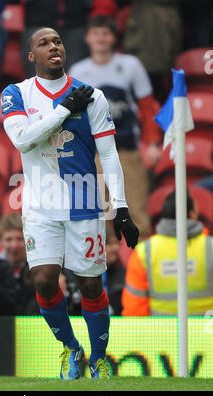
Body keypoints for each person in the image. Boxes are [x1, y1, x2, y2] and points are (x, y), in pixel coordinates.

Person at [1, 26, 139, 379]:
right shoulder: (16, 94)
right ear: (31, 56)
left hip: (84, 204)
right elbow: (22, 140)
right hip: (39, 205)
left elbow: (108, 155)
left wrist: (121, 209)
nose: (53, 47)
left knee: (90, 284)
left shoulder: (92, 96)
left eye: (58, 41)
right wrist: (63, 110)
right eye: (43, 43)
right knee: (45, 280)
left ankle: (99, 359)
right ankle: (71, 349)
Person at [69, 15, 161, 239]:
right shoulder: (78, 71)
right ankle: (106, 270)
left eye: (106, 33)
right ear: (87, 38)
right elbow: (72, 115)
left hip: (126, 151)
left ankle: (139, 268)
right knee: (97, 217)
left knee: (136, 212)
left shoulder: (130, 65)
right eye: (96, 33)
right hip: (93, 153)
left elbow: (147, 106)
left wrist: (152, 143)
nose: (101, 38)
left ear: (114, 37)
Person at [122, 190, 213, 316]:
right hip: (207, 332)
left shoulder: (144, 252)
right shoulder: (210, 247)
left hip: (161, 333)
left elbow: (134, 308)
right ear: (192, 214)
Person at [0, 212, 38, 314]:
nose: (14, 245)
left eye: (19, 239)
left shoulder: (38, 266)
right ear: (0, 241)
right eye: (9, 239)